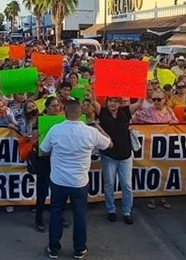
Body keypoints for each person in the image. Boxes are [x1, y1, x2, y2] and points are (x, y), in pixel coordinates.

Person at [40, 99, 112, 259]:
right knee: (79, 215)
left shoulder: (55, 129)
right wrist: (98, 128)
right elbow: (109, 145)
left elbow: (43, 150)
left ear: (64, 112)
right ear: (81, 114)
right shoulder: (91, 132)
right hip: (79, 182)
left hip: (58, 180)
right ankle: (79, 249)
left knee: (56, 213)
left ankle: (53, 248)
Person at [93, 96, 134, 225]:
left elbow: (140, 103)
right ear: (107, 102)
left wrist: (141, 86)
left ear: (120, 103)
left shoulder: (126, 112)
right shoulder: (103, 112)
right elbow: (94, 101)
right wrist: (95, 85)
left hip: (125, 155)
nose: (113, 104)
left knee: (127, 185)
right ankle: (111, 210)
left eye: (116, 101)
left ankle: (127, 212)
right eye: (111, 101)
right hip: (109, 156)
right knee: (109, 184)